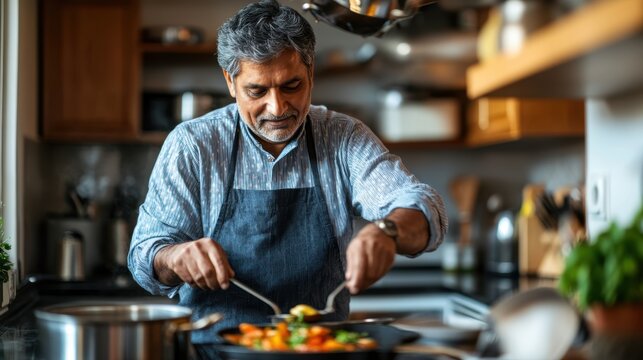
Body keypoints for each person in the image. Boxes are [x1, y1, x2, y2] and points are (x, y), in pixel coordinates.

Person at [128, 0, 447, 343]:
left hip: (319, 348)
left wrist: (387, 231)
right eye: (257, 91)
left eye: (291, 86)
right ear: (230, 82)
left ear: (310, 73)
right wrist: (174, 256)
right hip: (216, 350)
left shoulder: (342, 137)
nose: (277, 107)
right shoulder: (193, 144)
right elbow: (146, 257)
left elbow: (424, 206)